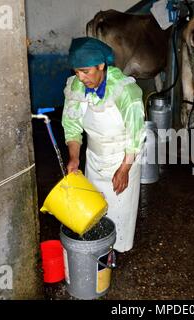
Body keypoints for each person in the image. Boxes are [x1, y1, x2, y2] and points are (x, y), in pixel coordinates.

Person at [62, 37, 145, 253]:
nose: (81, 77)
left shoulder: (125, 91)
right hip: (94, 158)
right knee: (95, 210)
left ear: (101, 65)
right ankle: (99, 251)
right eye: (77, 71)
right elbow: (71, 126)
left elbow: (136, 133)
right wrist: (74, 157)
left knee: (119, 214)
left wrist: (125, 168)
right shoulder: (75, 87)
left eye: (86, 71)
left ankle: (116, 253)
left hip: (123, 157)